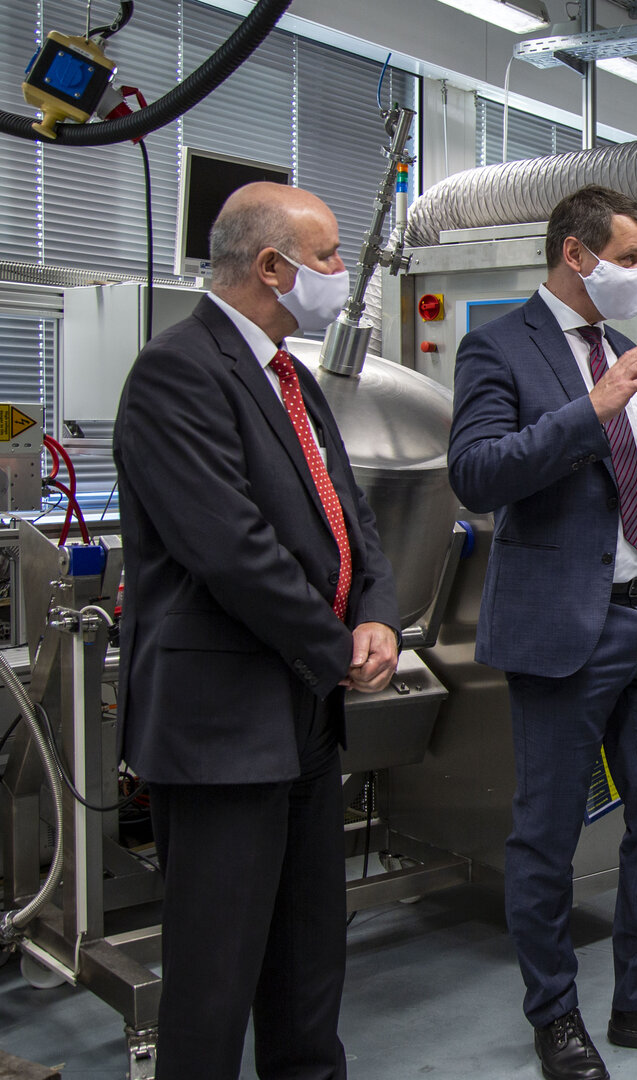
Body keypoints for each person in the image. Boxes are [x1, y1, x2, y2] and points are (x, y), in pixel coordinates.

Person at [447, 185, 637, 1080]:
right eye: (632, 255)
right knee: (548, 834)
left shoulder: (621, 351)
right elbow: (477, 473)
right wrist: (592, 408)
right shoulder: (496, 348)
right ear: (578, 255)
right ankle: (555, 1016)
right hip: (563, 632)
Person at [114, 182, 400, 1079]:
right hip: (223, 724)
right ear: (272, 267)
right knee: (216, 980)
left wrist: (379, 615)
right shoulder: (177, 371)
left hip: (306, 716)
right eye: (326, 257)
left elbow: (349, 519)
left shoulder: (292, 376)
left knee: (309, 961)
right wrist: (336, 651)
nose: (340, 275)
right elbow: (231, 551)